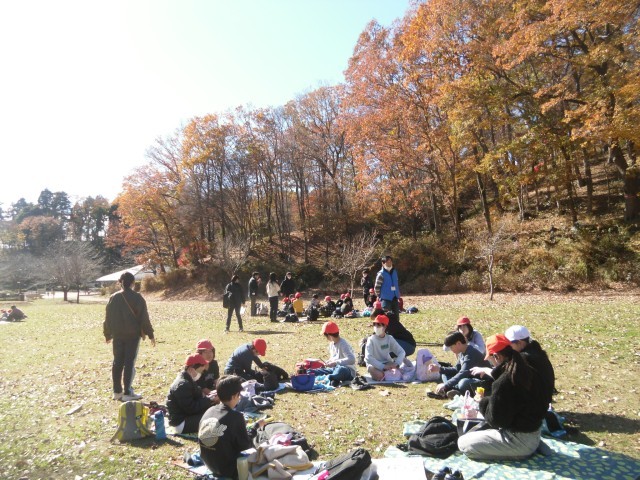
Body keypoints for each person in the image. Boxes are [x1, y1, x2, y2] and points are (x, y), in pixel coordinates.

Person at [458, 334, 549, 460]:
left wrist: (482, 402)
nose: (490, 363)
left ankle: (518, 453)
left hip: (518, 440)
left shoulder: (505, 381)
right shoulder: (524, 369)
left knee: (463, 443)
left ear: (497, 356)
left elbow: (496, 420)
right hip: (533, 431)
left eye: (490, 360)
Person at [198, 375, 266, 479]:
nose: (239, 398)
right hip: (229, 470)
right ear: (234, 396)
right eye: (239, 395)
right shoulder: (235, 417)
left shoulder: (209, 410)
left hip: (209, 464)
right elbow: (245, 446)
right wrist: (255, 427)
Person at [103, 271, 155, 401]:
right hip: (132, 335)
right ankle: (127, 392)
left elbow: (107, 318)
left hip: (117, 335)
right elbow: (144, 318)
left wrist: (107, 334)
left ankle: (117, 392)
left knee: (117, 362)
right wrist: (150, 334)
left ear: (120, 282)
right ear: (133, 283)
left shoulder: (113, 297)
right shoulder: (137, 298)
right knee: (129, 363)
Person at [429, 331, 490, 399]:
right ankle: (451, 391)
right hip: (469, 377)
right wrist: (440, 369)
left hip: (482, 382)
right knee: (444, 374)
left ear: (458, 343)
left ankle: (449, 390)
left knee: (463, 383)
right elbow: (457, 369)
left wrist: (446, 385)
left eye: (451, 347)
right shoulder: (461, 353)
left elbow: (463, 373)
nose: (451, 350)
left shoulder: (470, 354)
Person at [167, 353, 217, 434]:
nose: (201, 374)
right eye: (200, 371)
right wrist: (209, 399)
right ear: (191, 369)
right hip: (181, 423)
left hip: (186, 417)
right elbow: (191, 409)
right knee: (216, 416)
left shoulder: (188, 380)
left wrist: (210, 396)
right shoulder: (182, 385)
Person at [505, 325, 555, 404]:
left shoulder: (525, 358)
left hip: (535, 402)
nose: (507, 347)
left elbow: (509, 380)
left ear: (520, 342)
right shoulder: (537, 352)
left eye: (509, 343)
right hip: (543, 398)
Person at [307, 321, 357, 387]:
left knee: (340, 370)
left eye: (325, 335)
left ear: (329, 335)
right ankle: (333, 379)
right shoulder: (331, 344)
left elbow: (352, 359)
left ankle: (328, 379)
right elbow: (333, 358)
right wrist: (328, 362)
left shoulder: (343, 344)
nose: (326, 337)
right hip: (334, 369)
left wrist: (335, 363)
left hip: (347, 370)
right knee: (310, 371)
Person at [365, 314, 406, 381]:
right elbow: (368, 357)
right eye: (374, 324)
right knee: (380, 376)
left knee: (400, 372)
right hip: (373, 365)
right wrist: (383, 367)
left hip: (387, 363)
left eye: (378, 325)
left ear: (385, 326)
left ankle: (388, 374)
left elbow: (401, 352)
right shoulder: (371, 339)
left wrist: (397, 364)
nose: (376, 327)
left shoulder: (389, 338)